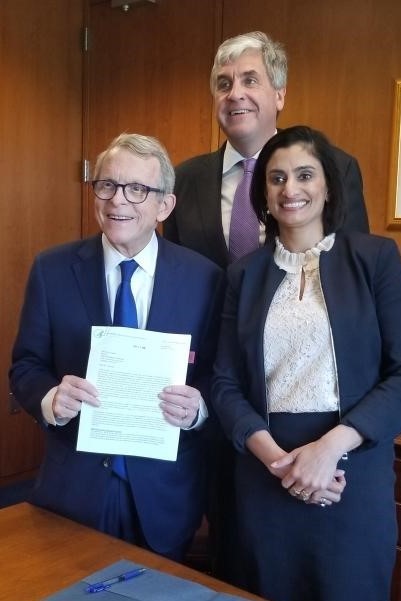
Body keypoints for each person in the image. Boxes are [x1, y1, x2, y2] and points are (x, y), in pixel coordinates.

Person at [9, 133, 225, 562]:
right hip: (74, 489)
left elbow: (221, 376)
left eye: (136, 189)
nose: (117, 201)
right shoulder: (52, 269)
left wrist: (199, 408)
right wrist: (51, 398)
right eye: (106, 185)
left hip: (165, 495)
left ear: (164, 206)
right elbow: (25, 366)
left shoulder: (205, 279)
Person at [212, 125, 401, 601]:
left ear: (328, 186)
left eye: (304, 175)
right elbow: (224, 384)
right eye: (276, 179)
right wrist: (281, 463)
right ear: (264, 194)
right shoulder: (243, 274)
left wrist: (328, 451)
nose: (289, 189)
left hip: (350, 475)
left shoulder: (376, 258)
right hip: (265, 473)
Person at [164, 31, 369, 268]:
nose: (235, 94)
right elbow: (173, 272)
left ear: (280, 95)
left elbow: (356, 270)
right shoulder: (183, 180)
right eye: (224, 84)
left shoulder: (335, 169)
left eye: (250, 80)